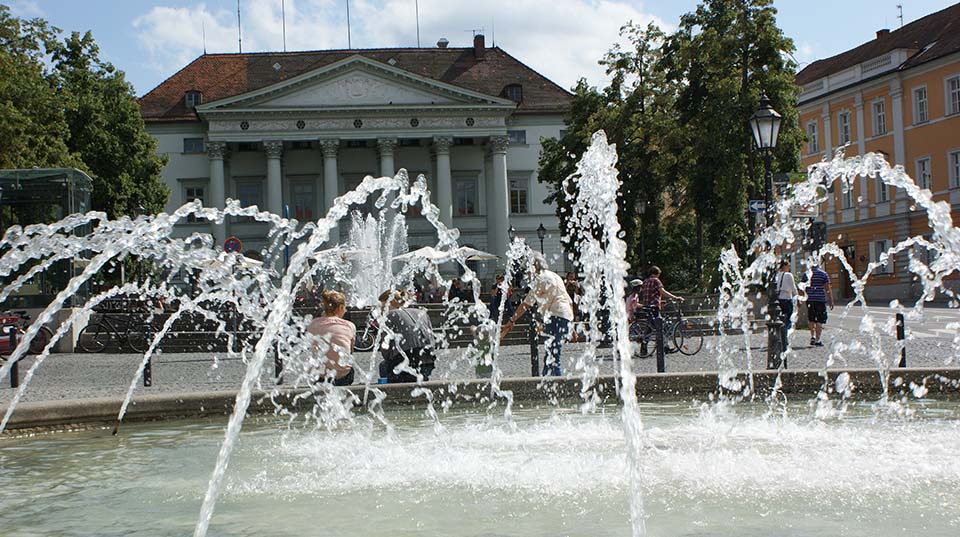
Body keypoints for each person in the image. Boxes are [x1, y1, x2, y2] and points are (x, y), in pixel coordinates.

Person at [500, 254, 574, 376]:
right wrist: (571, 325)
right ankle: (545, 382)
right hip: (565, 316)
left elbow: (526, 304)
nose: (527, 273)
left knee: (553, 356)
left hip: (555, 316)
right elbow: (569, 301)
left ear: (534, 266)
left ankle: (557, 384)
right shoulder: (555, 276)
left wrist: (512, 320)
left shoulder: (541, 279)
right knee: (551, 354)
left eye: (528, 268)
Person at [378, 290, 437, 383]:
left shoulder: (390, 315)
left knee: (383, 366)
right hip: (428, 360)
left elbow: (385, 346)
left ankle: (391, 394)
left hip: (406, 361)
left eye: (382, 307)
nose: (381, 311)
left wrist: (389, 358)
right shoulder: (422, 313)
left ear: (391, 302)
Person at [306, 290, 356, 386]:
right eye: (344, 308)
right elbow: (350, 351)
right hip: (342, 375)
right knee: (350, 368)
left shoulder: (312, 324)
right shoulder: (349, 326)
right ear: (341, 307)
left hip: (320, 375)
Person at [802, 262, 834, 347]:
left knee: (811, 319)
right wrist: (831, 300)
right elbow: (827, 287)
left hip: (810, 299)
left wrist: (800, 299)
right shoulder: (823, 274)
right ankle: (818, 339)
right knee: (820, 320)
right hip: (820, 300)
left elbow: (802, 288)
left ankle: (812, 336)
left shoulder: (806, 274)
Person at [775, 260, 798, 351]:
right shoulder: (788, 275)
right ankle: (784, 337)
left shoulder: (777, 275)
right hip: (787, 299)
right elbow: (793, 288)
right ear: (784, 266)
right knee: (788, 319)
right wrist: (797, 298)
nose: (789, 268)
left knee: (780, 319)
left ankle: (781, 336)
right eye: (788, 266)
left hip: (778, 300)